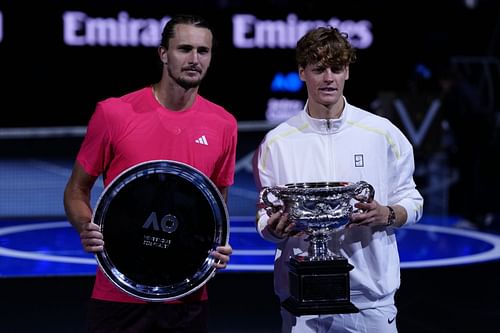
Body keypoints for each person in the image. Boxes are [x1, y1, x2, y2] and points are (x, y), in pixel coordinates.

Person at [64, 14, 237, 333]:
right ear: (163, 53)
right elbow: (76, 190)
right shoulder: (114, 113)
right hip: (118, 295)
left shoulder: (224, 124)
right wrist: (85, 226)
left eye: (203, 51)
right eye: (184, 49)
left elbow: (216, 206)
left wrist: (219, 243)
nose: (194, 59)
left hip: (187, 298)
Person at [253, 26, 424, 333]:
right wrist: (273, 230)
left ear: (347, 71)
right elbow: (266, 218)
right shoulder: (277, 142)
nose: (328, 78)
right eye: (319, 69)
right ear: (302, 72)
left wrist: (388, 214)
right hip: (301, 301)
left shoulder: (382, 133)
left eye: (336, 68)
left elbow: (412, 201)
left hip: (371, 300)